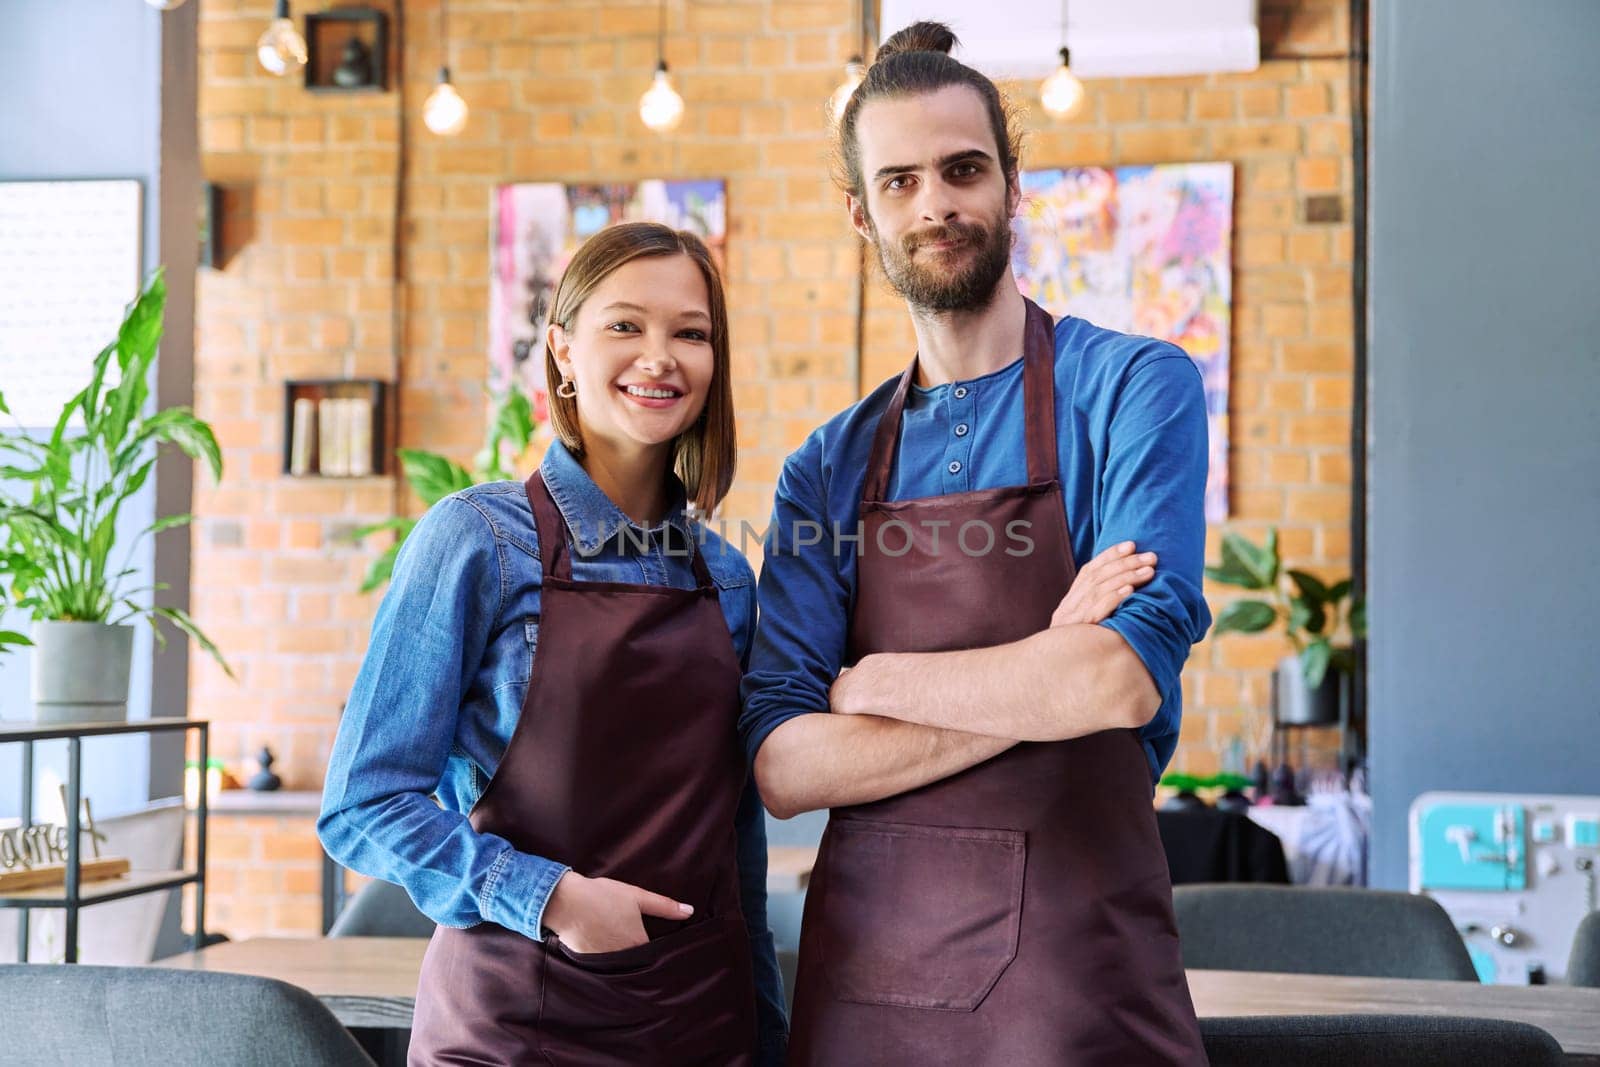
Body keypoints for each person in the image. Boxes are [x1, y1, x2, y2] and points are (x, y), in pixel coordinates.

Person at [740, 22, 1211, 1065]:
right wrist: (1041, 668)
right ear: (861, 213)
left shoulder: (1131, 389)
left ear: (1011, 182)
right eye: (900, 182)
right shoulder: (827, 465)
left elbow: (1116, 681)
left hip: (1074, 980)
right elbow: (781, 760)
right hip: (868, 986)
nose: (935, 205)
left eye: (961, 170)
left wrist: (871, 682)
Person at [320, 222, 787, 1065]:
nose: (660, 356)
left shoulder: (725, 578)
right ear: (563, 350)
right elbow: (363, 802)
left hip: (704, 1032)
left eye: (691, 332)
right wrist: (554, 896)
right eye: (625, 326)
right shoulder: (477, 541)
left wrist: (769, 1033)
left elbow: (737, 851)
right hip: (516, 1031)